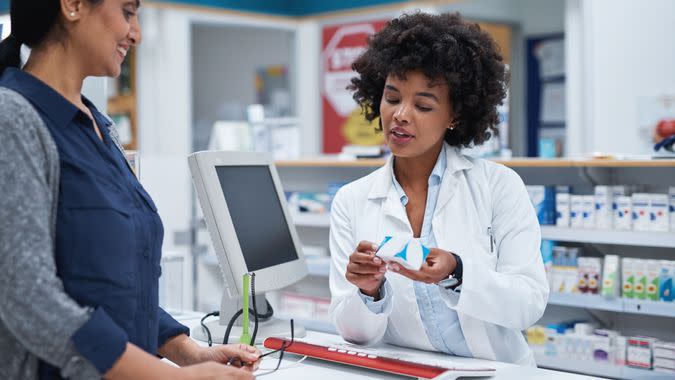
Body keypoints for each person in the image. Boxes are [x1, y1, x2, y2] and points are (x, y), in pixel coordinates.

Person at [0, 1, 259, 379]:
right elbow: (28, 298)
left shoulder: (100, 128)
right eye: (127, 12)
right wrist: (169, 377)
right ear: (72, 6)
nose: (136, 33)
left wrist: (188, 352)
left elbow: (114, 285)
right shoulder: (14, 120)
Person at [328, 12, 548, 366]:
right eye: (392, 97)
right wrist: (368, 291)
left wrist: (457, 273)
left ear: (455, 115)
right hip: (406, 370)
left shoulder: (499, 186)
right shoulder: (351, 201)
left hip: (493, 370)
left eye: (423, 105)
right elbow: (354, 333)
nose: (400, 115)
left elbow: (529, 303)